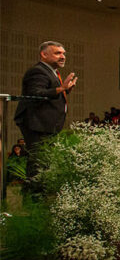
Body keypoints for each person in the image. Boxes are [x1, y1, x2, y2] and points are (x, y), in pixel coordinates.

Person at [14, 41, 77, 181]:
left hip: (46, 125)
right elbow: (36, 93)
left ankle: (40, 195)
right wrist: (62, 89)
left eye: (63, 53)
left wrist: (64, 90)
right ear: (44, 54)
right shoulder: (37, 71)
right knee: (37, 164)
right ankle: (34, 198)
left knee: (44, 163)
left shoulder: (51, 72)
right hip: (37, 125)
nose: (62, 56)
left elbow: (49, 94)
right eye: (57, 53)